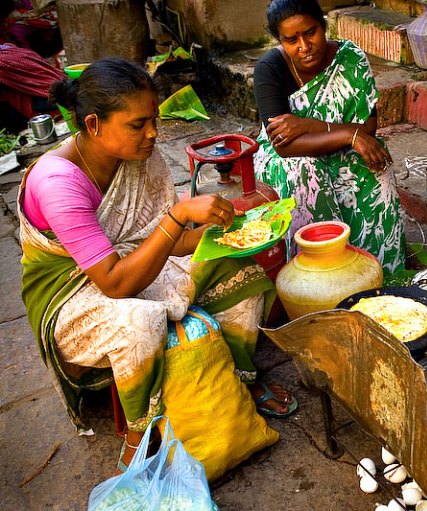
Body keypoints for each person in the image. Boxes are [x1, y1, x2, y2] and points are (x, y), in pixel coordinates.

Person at [18, 57, 297, 472]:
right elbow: (115, 282)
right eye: (138, 124)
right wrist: (178, 217)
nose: (153, 134)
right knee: (140, 323)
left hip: (131, 262)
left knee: (237, 270)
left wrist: (233, 231)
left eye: (154, 120)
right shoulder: (58, 183)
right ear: (93, 125)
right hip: (73, 291)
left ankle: (240, 376)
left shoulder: (139, 154)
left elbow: (168, 241)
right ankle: (140, 433)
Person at [252, 0, 406, 275]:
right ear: (280, 41)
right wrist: (348, 133)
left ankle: (381, 274)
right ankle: (318, 278)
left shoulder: (350, 60)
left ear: (323, 25)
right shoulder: (269, 69)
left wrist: (309, 125)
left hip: (340, 149)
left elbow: (367, 125)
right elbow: (285, 147)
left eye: (310, 32)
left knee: (375, 169)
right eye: (291, 40)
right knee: (305, 172)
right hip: (287, 160)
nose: (304, 46)